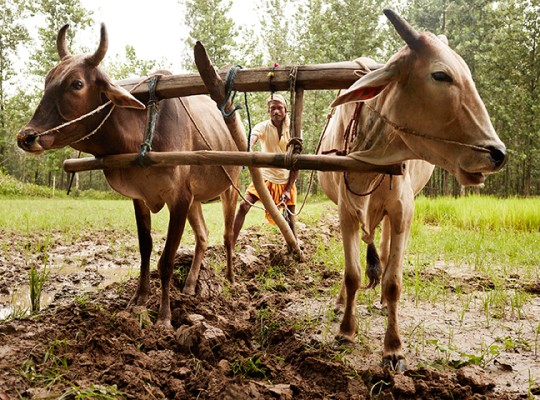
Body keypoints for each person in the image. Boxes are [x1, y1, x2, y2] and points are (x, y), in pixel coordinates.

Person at [232, 93, 299, 245]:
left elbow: (297, 162)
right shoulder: (262, 126)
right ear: (269, 111)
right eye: (272, 108)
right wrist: (248, 148)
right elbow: (253, 137)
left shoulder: (294, 129)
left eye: (279, 108)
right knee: (243, 206)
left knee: (290, 218)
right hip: (265, 178)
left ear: (285, 110)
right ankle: (230, 244)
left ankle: (295, 249)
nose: (276, 111)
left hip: (286, 179)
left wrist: (288, 189)